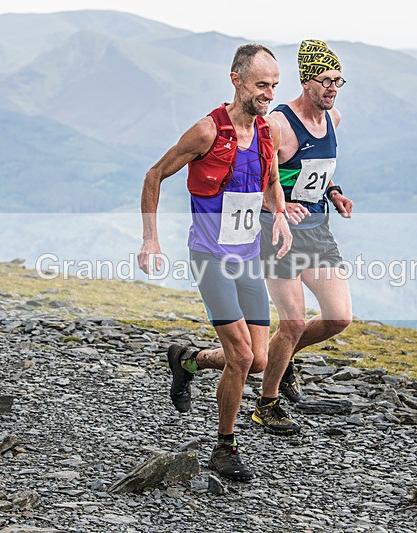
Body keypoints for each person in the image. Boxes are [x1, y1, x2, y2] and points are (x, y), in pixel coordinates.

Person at [137, 44, 302, 482]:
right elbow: (154, 174)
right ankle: (224, 447)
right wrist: (151, 239)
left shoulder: (266, 133)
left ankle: (188, 360)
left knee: (258, 360)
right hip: (210, 259)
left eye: (274, 85)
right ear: (236, 80)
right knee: (242, 355)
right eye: (261, 85)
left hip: (248, 259)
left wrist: (279, 214)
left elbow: (271, 181)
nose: (269, 94)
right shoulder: (207, 131)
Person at [253, 39, 354, 435]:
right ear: (306, 81)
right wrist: (281, 205)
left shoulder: (334, 119)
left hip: (317, 230)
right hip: (278, 233)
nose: (332, 88)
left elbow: (317, 171)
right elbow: (255, 177)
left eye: (338, 80)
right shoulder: (277, 124)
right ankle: (267, 403)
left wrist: (334, 192)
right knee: (292, 322)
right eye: (326, 80)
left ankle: (283, 357)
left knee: (338, 317)